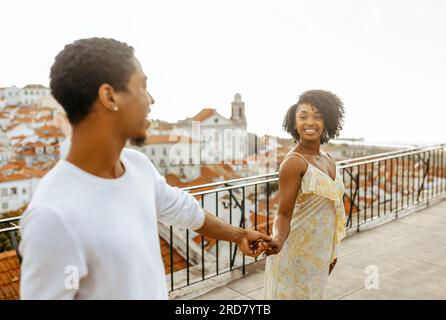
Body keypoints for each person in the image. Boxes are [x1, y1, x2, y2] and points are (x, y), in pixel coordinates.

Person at [19, 37, 270, 300]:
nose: (151, 100)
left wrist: (240, 235)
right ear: (109, 96)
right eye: (143, 86)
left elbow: (187, 212)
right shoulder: (53, 217)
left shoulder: (137, 167)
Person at [263, 90, 346, 300]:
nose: (310, 122)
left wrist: (332, 250)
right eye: (303, 116)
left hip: (318, 253)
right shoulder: (294, 162)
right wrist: (278, 240)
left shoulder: (328, 158)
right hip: (293, 254)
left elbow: (332, 209)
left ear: (327, 120)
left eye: (317, 116)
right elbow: (283, 214)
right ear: (294, 121)